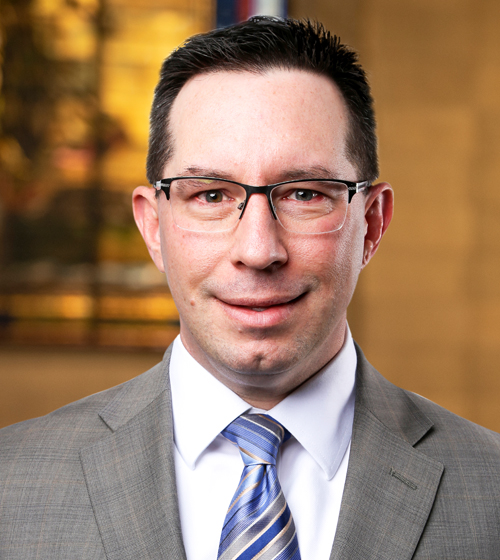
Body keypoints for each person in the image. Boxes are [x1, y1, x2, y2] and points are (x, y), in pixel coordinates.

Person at [0, 16, 499, 560]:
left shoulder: (489, 489)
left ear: (372, 224)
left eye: (305, 193)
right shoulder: (12, 483)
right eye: (211, 195)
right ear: (152, 227)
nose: (259, 250)